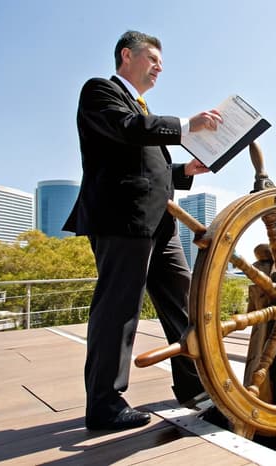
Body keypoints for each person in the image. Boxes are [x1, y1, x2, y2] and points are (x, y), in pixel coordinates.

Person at [63, 30, 223, 431]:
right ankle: (104, 403)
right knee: (119, 308)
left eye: (162, 63)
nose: (159, 67)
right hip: (122, 218)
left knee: (185, 303)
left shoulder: (141, 110)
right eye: (152, 58)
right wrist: (188, 125)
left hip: (162, 222)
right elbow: (129, 129)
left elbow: (145, 167)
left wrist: (183, 171)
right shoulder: (100, 91)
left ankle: (194, 387)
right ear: (126, 55)